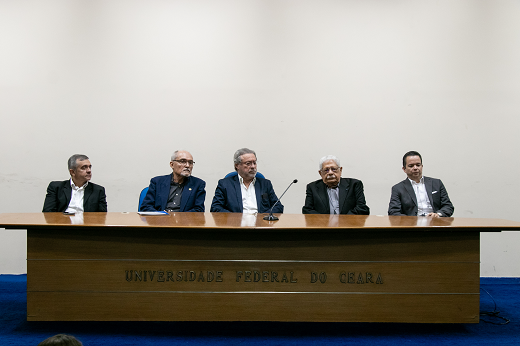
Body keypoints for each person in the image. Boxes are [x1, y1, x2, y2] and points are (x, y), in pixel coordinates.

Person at [210, 148, 283, 213]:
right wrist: (236, 218)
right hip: (236, 225)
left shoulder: (265, 184)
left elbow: (278, 207)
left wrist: (262, 218)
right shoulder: (225, 184)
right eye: (248, 163)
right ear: (237, 165)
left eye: (254, 163)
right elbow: (215, 208)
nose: (253, 166)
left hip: (260, 225)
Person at [388, 151, 454, 217]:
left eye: (418, 165)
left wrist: (438, 214)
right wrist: (412, 220)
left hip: (435, 223)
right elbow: (393, 212)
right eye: (411, 166)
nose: (415, 168)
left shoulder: (437, 183)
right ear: (404, 169)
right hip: (412, 225)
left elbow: (448, 206)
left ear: (422, 166)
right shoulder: (398, 188)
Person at [140, 150, 206, 212]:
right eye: (183, 161)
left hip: (184, 223)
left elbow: (199, 210)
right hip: (159, 222)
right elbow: (146, 206)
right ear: (172, 164)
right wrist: (160, 216)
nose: (187, 165)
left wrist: (177, 217)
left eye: (190, 163)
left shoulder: (198, 184)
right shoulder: (157, 182)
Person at [302, 155, 370, 215]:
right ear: (320, 173)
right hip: (323, 227)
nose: (330, 173)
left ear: (340, 170)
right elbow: (307, 210)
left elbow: (362, 208)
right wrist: (325, 221)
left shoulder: (354, 185)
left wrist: (343, 221)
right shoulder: (312, 187)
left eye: (334, 169)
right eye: (326, 170)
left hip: (348, 226)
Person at [42, 154, 107, 213]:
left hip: (87, 224)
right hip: (63, 223)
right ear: (72, 172)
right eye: (84, 167)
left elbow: (102, 216)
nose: (89, 171)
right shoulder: (56, 187)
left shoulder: (98, 190)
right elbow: (48, 213)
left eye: (89, 167)